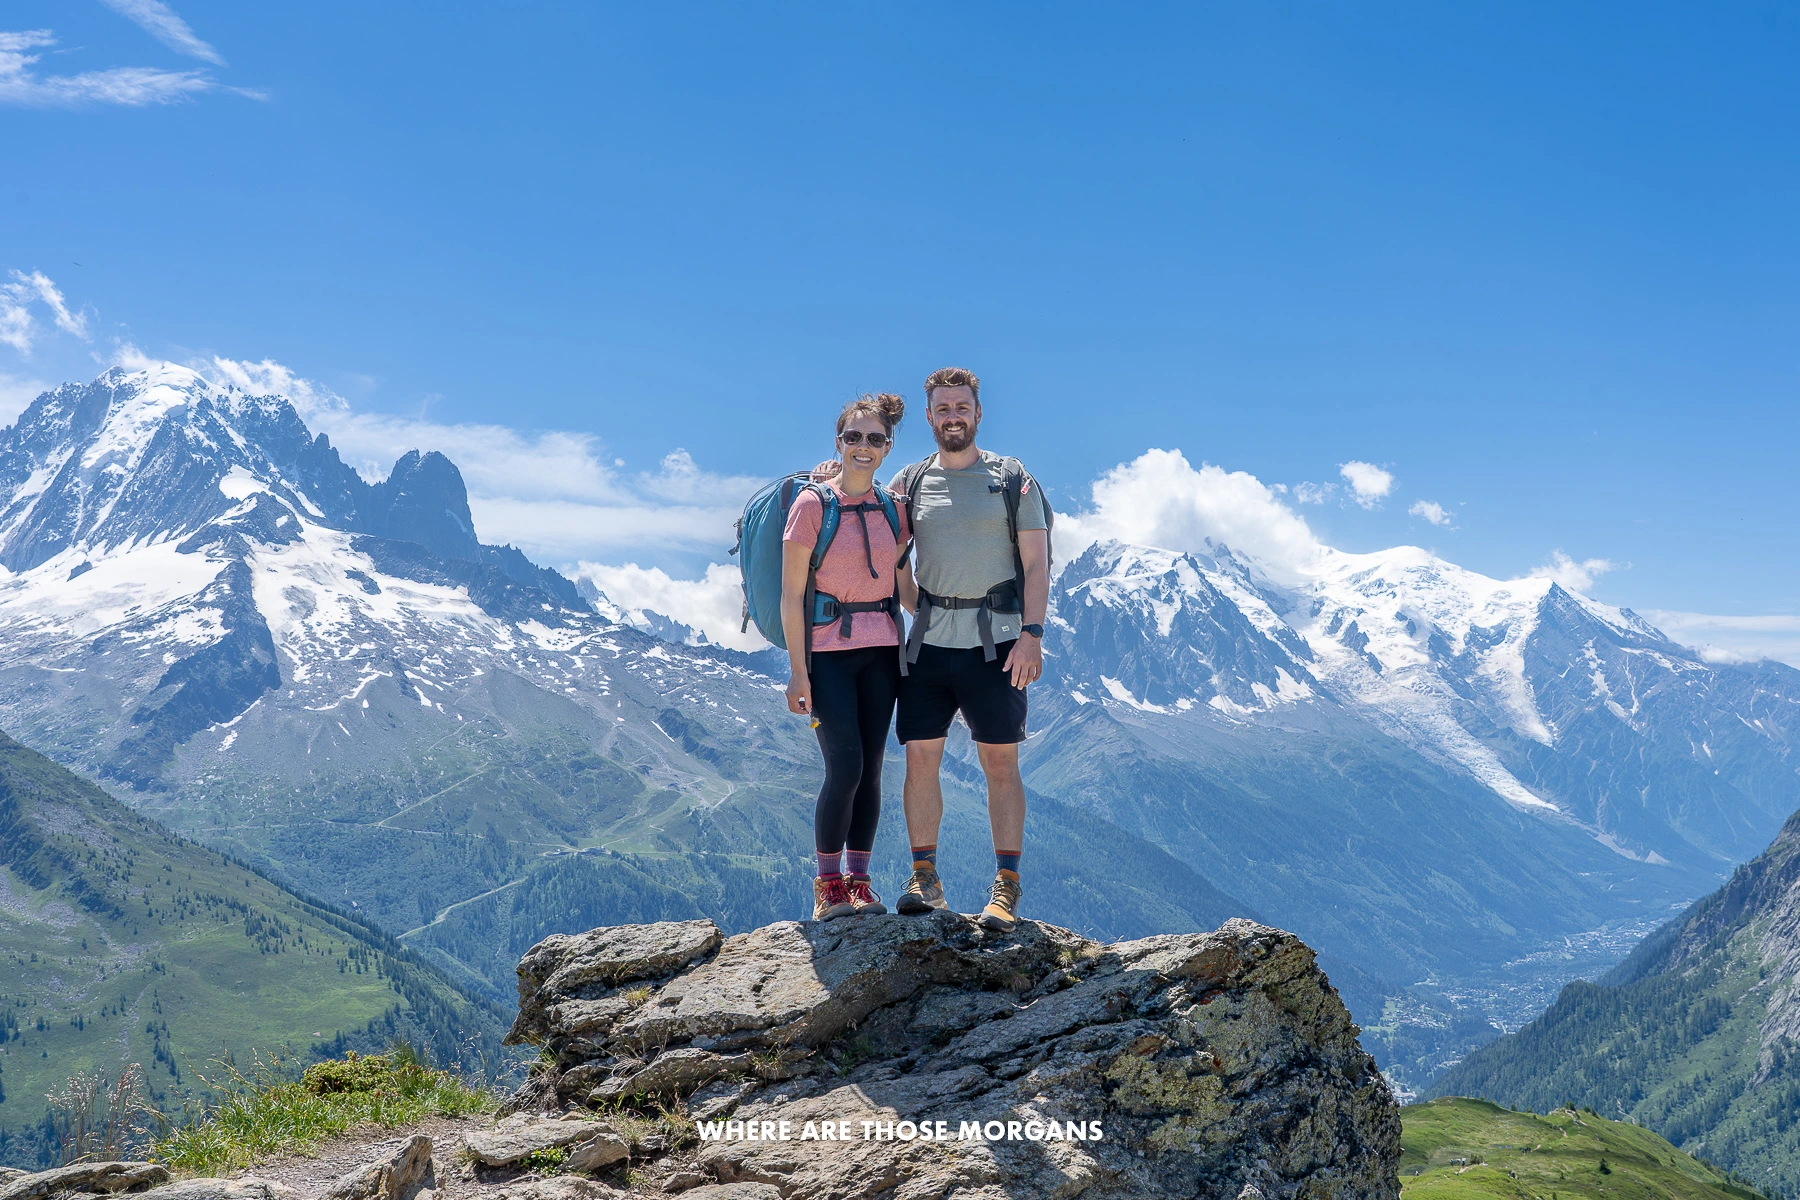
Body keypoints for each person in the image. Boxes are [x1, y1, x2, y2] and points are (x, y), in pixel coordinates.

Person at [890, 367, 1049, 933]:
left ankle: (1006, 886)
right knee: (920, 759)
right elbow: (887, 551)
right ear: (929, 417)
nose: (952, 416)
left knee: (1000, 763)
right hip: (928, 645)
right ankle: (924, 878)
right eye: (941, 408)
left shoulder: (1011, 478)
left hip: (1000, 645)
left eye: (961, 407)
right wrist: (917, 607)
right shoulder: (908, 482)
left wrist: (1032, 634)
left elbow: (1036, 561)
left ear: (978, 414)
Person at [782, 393, 916, 922]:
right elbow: (792, 595)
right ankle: (827, 886)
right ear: (838, 443)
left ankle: (860, 883)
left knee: (874, 770)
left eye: (875, 439)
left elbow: (904, 588)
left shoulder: (894, 510)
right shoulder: (813, 505)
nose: (864, 447)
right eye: (853, 437)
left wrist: (958, 620)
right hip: (829, 657)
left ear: (887, 448)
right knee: (846, 768)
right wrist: (798, 670)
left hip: (883, 652)